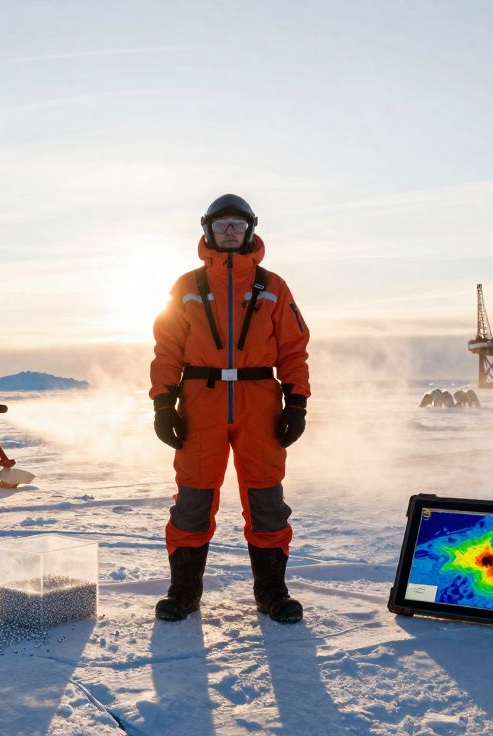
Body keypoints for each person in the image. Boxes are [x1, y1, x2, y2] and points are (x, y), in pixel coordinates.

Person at [149, 193, 311, 624]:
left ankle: (272, 593)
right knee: (193, 500)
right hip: (202, 404)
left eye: (237, 226)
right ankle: (183, 593)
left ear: (251, 230)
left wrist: (296, 401)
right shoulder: (186, 288)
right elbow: (166, 349)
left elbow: (294, 349)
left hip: (260, 404)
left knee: (267, 500)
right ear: (207, 231)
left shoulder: (274, 287)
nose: (229, 233)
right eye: (221, 226)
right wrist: (164, 403)